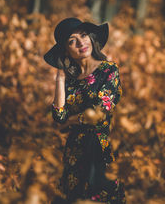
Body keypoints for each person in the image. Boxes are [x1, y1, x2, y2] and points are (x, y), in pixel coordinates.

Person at [44, 18, 126, 203]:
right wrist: (60, 79)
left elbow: (98, 113)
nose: (81, 42)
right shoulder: (70, 80)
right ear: (66, 50)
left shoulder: (109, 71)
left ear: (91, 38)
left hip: (98, 147)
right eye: (72, 40)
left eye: (83, 35)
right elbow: (59, 116)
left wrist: (72, 121)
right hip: (73, 152)